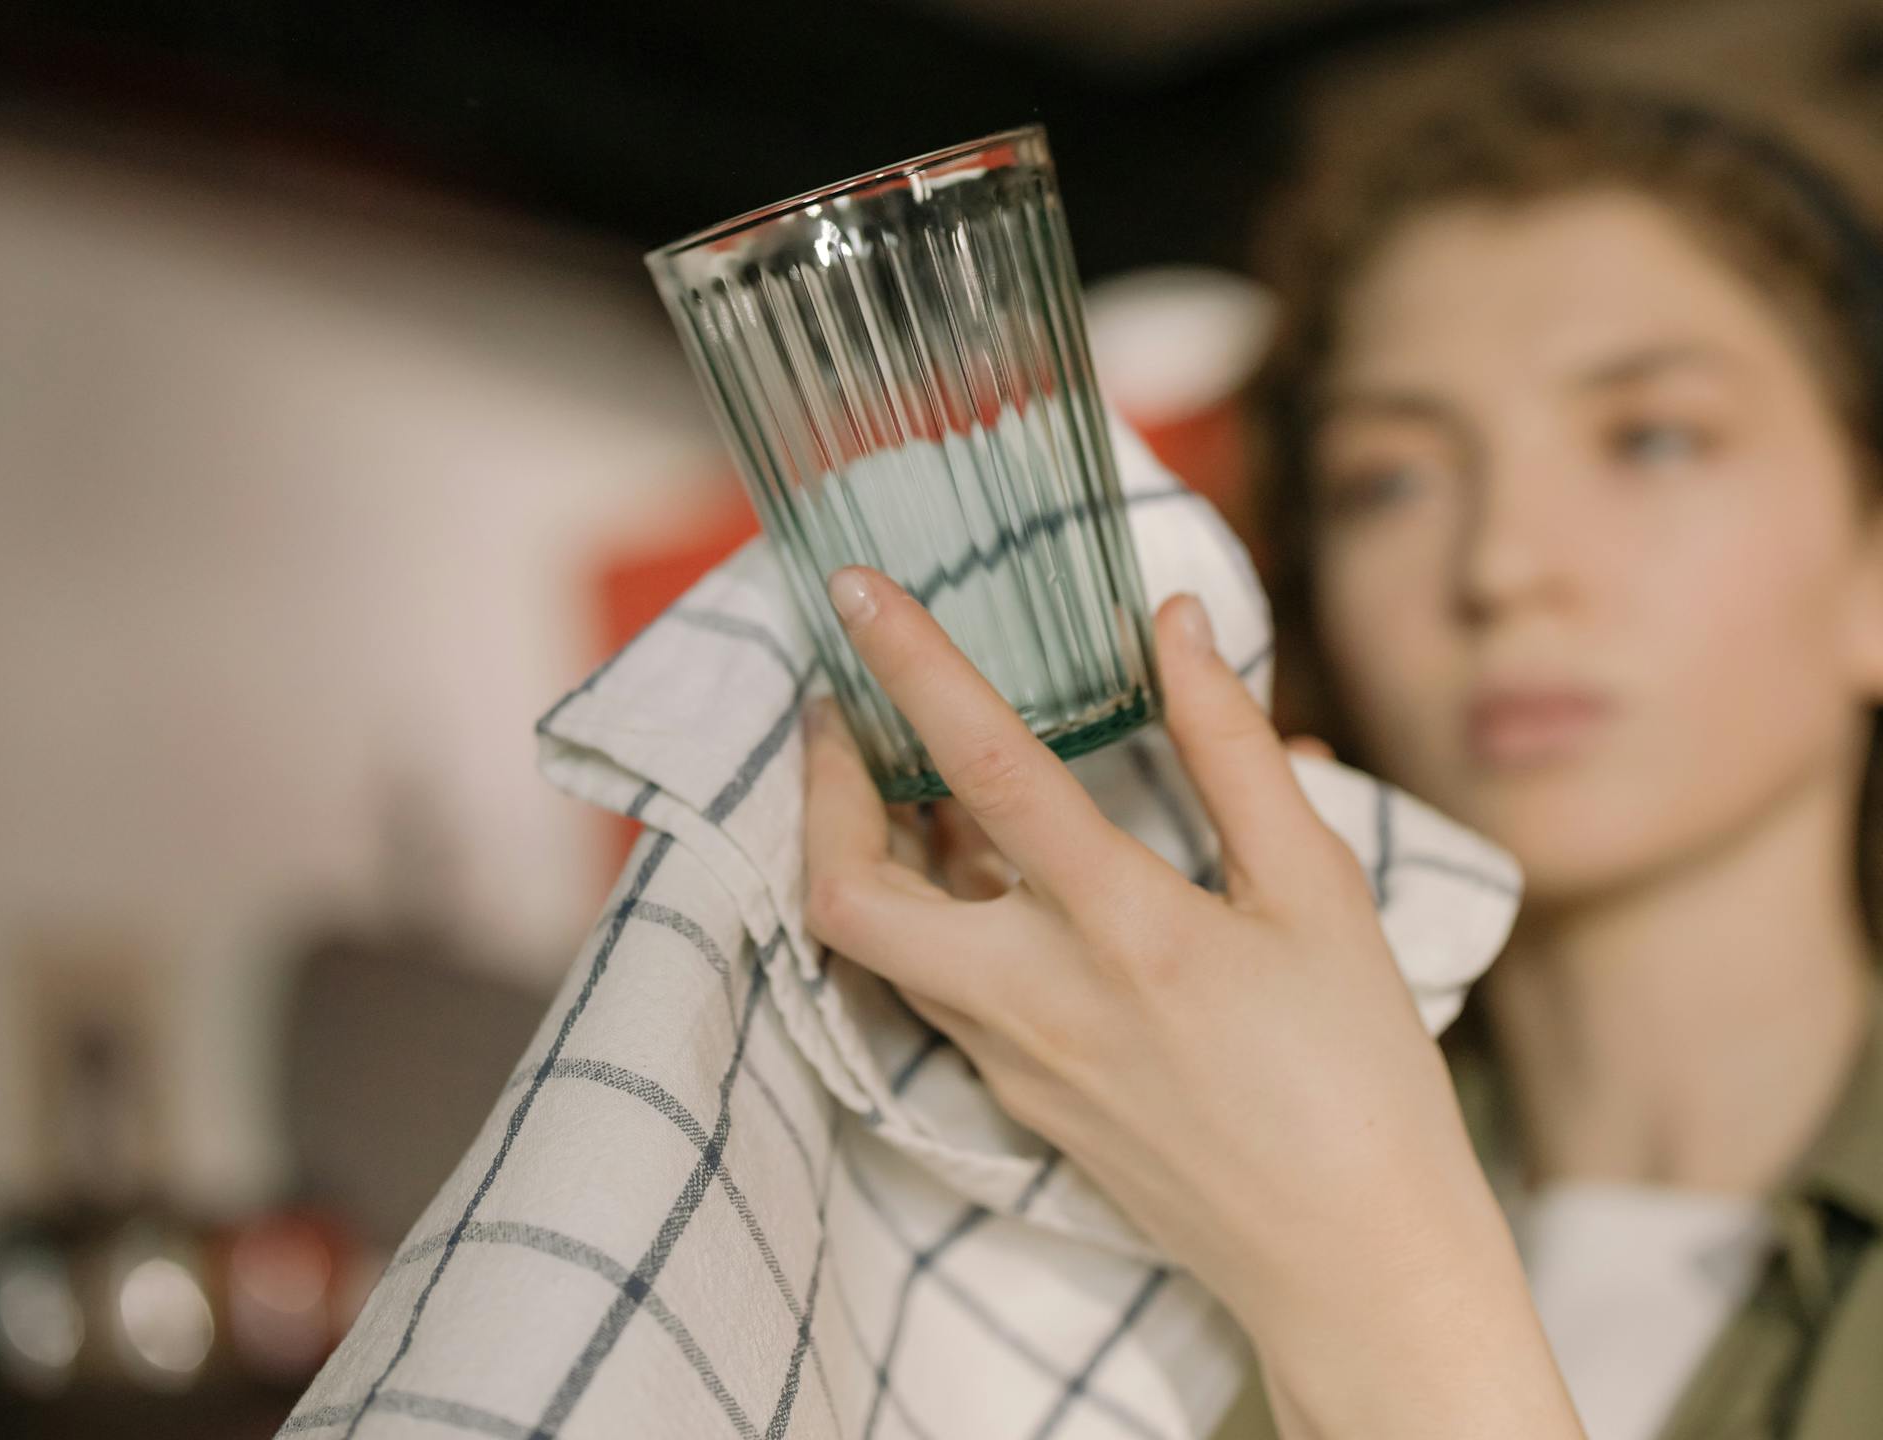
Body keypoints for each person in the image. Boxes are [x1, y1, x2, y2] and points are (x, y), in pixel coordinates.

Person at [798, 74, 1883, 1440]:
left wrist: (1357, 1256)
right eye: (1390, 479)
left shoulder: (1269, 1196)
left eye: (1650, 438)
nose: (1501, 565)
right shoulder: (1107, 1210)